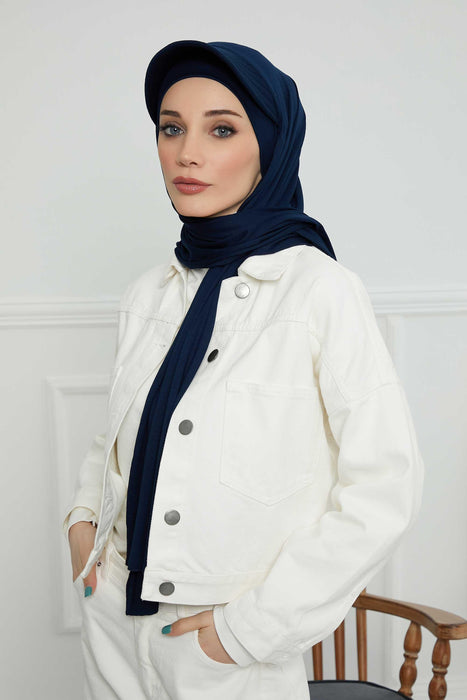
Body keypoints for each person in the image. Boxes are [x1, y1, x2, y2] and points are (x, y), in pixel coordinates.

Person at [64, 40, 424, 700]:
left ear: (271, 146)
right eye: (171, 128)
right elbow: (118, 434)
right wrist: (83, 524)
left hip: (221, 637)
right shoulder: (148, 293)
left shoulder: (319, 290)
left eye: (222, 129)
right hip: (114, 615)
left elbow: (384, 486)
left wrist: (247, 631)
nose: (187, 153)